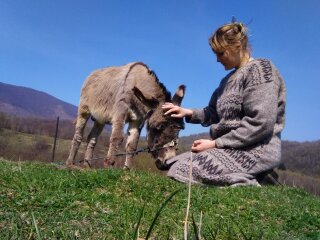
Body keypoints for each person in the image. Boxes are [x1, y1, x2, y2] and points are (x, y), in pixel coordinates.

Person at [161, 21, 286, 186]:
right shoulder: (226, 81)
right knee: (174, 164)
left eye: (221, 53)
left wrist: (215, 143)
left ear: (238, 46)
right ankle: (248, 176)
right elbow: (213, 112)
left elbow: (261, 122)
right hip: (228, 147)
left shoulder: (261, 70)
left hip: (254, 149)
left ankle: (255, 181)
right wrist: (187, 112)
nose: (217, 60)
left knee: (185, 169)